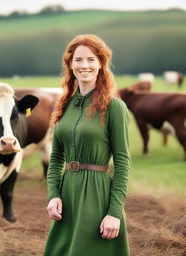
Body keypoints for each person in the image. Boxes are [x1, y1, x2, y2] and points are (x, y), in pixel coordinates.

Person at [44, 34, 131, 256]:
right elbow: (55, 158)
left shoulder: (114, 107)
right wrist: (53, 195)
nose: (85, 66)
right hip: (67, 197)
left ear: (101, 64)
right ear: (70, 64)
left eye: (91, 59)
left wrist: (114, 212)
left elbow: (122, 162)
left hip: (97, 196)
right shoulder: (64, 105)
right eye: (78, 60)